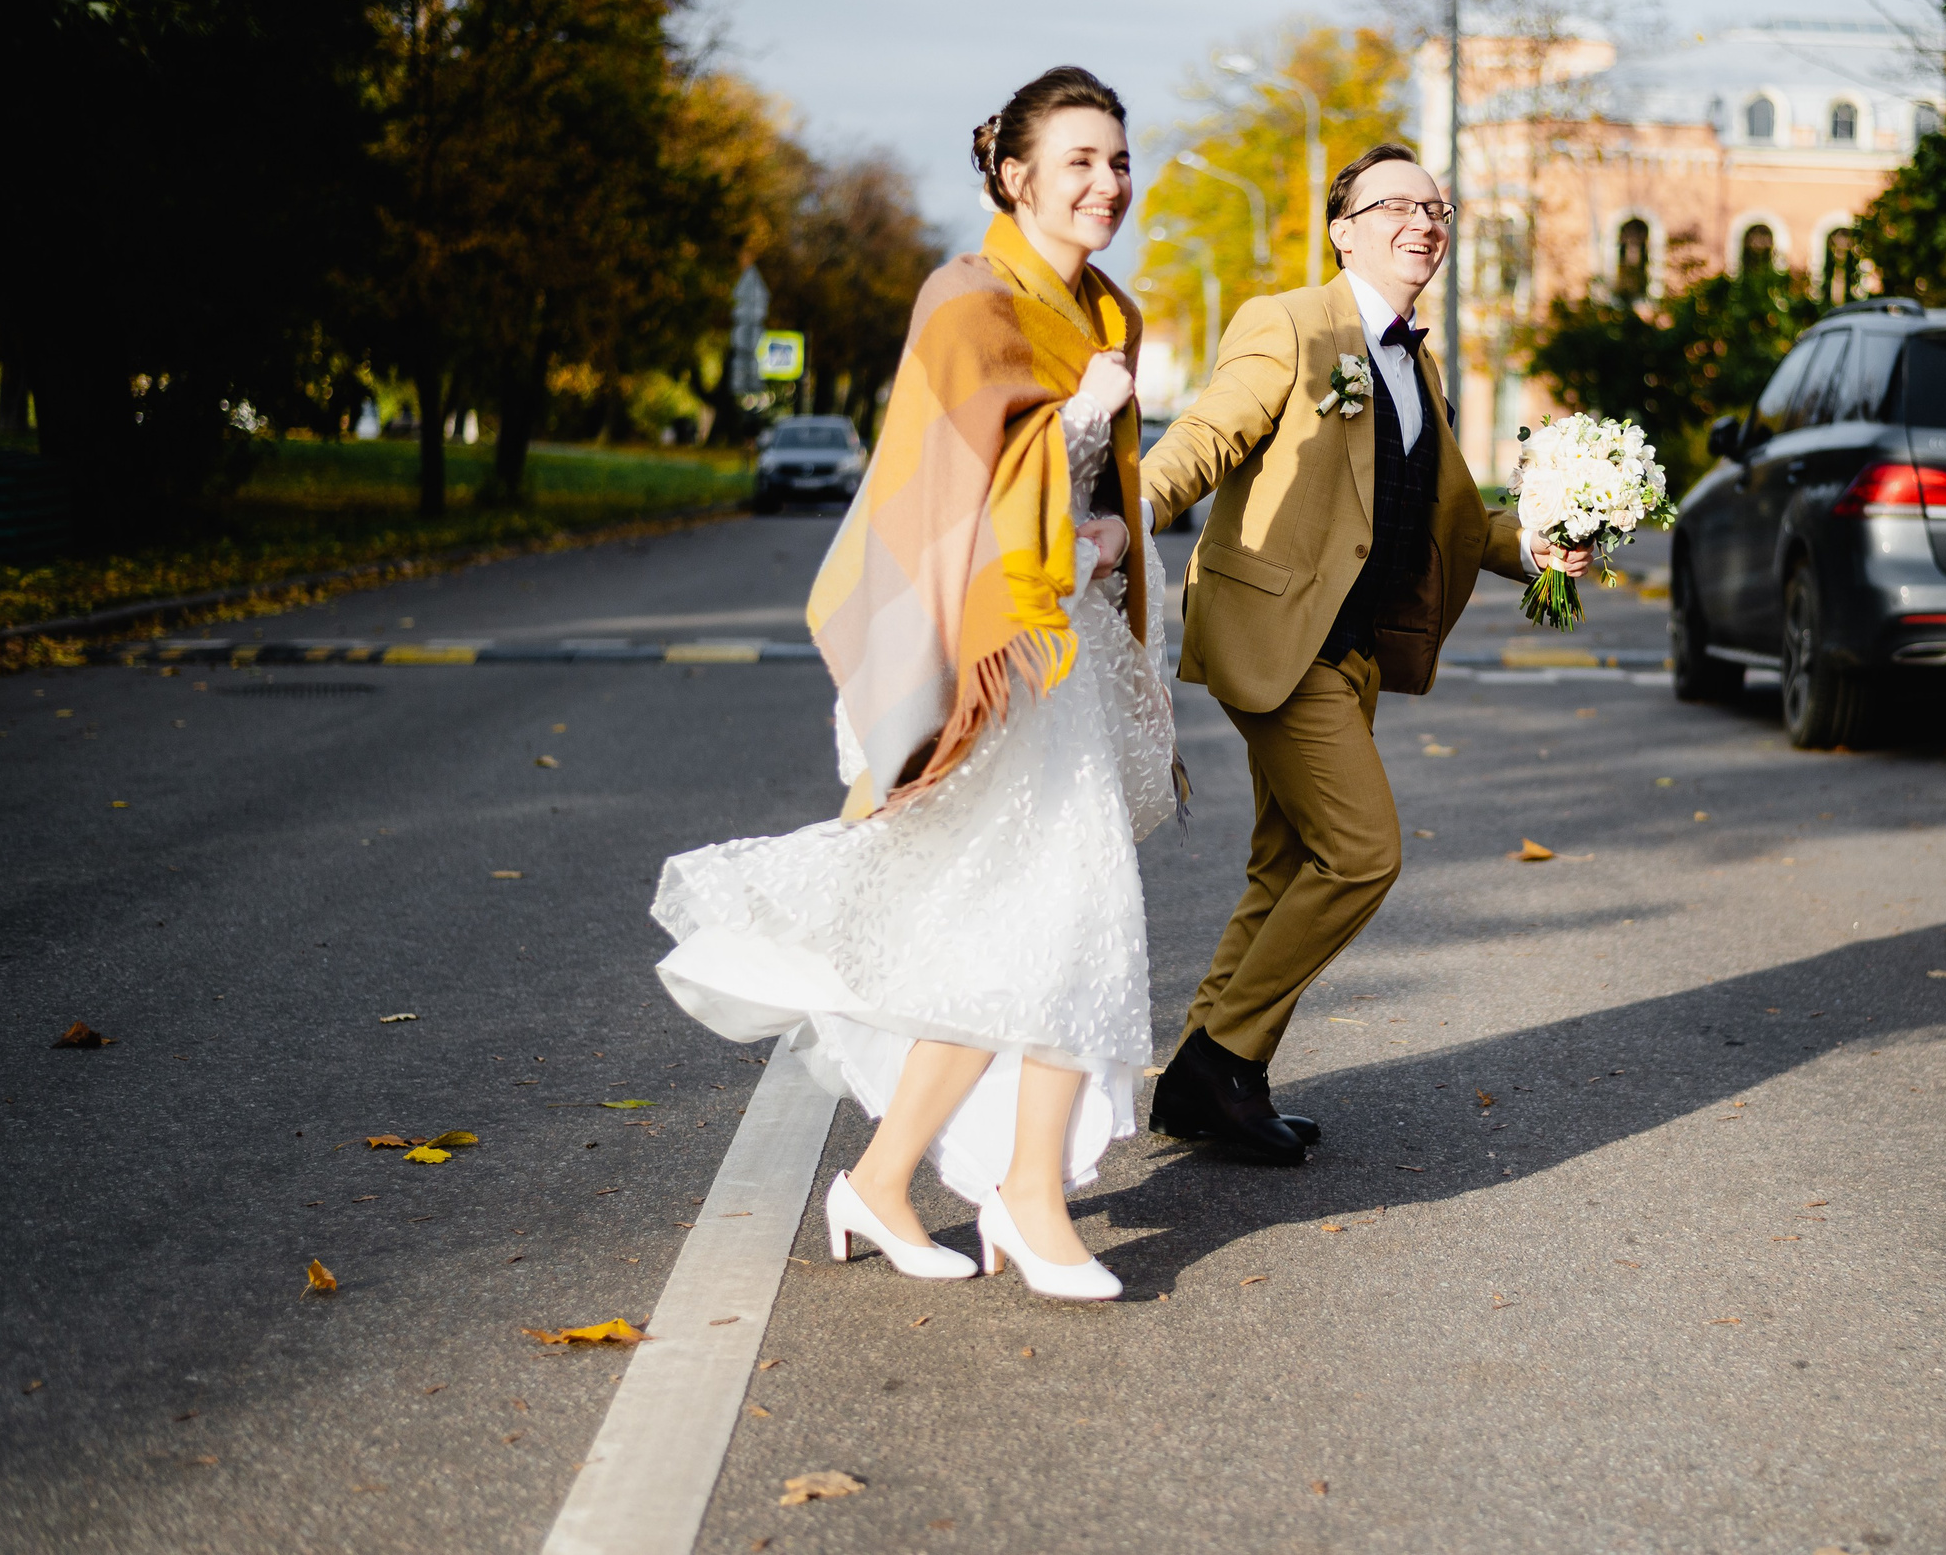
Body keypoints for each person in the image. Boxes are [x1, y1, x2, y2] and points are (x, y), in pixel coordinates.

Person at [650, 67, 1175, 1300]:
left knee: (1024, 925)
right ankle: (1030, 1200)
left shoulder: (1112, 312)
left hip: (1071, 655)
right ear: (1015, 175)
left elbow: (1089, 502)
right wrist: (1079, 427)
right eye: (1082, 161)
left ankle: (881, 1182)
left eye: (1119, 159)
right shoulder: (966, 300)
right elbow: (933, 499)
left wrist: (1102, 525)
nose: (1108, 183)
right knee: (1071, 914)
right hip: (990, 654)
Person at [1138, 143, 1589, 1165]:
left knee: (1286, 861)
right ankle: (1221, 1059)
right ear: (1342, 227)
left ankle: (1201, 1079)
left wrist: (1547, 546)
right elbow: (1205, 433)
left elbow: (1458, 520)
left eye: (1437, 207)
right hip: (1277, 639)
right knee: (1363, 852)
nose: (1424, 221)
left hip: (1350, 655)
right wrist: (1126, 512)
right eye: (1397, 204)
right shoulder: (1292, 322)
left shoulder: (1416, 361)